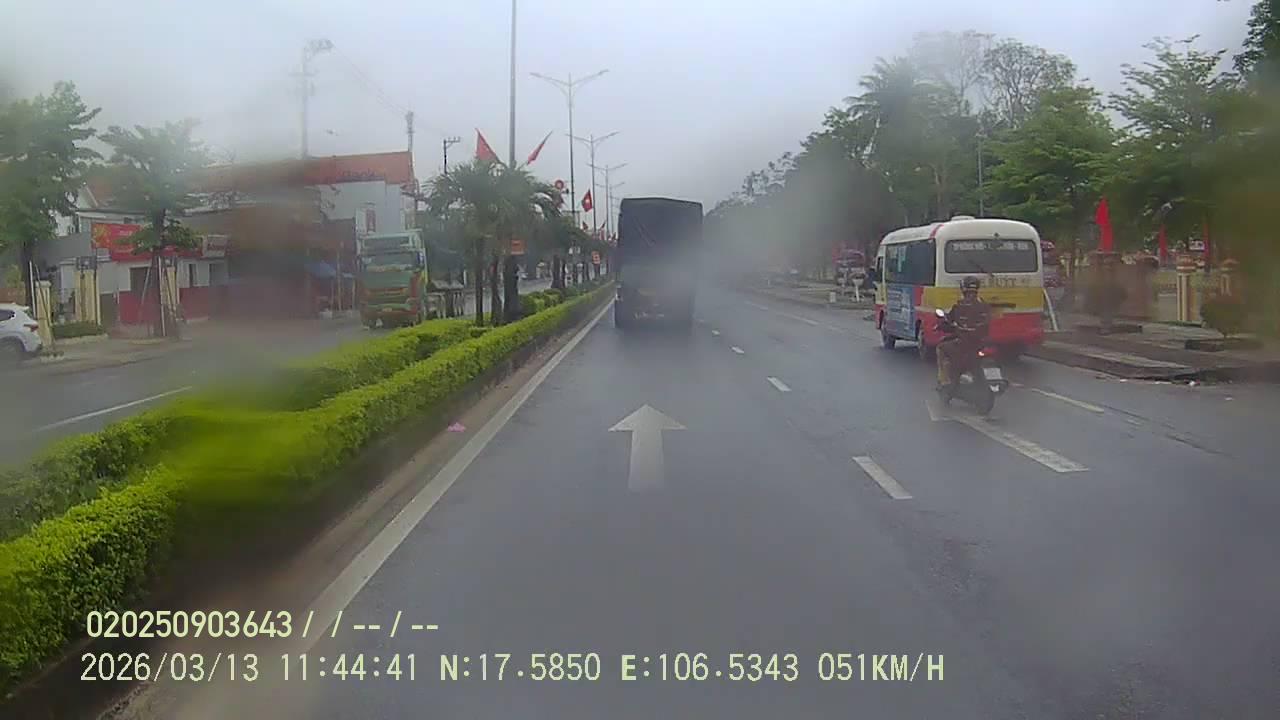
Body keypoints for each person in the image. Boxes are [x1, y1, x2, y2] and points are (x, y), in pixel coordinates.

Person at [938, 276, 992, 388]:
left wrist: (942, 325)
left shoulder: (959, 306)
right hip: (982, 343)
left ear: (963, 289)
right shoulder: (984, 306)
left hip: (964, 343)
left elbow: (948, 321)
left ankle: (945, 381)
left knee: (941, 348)